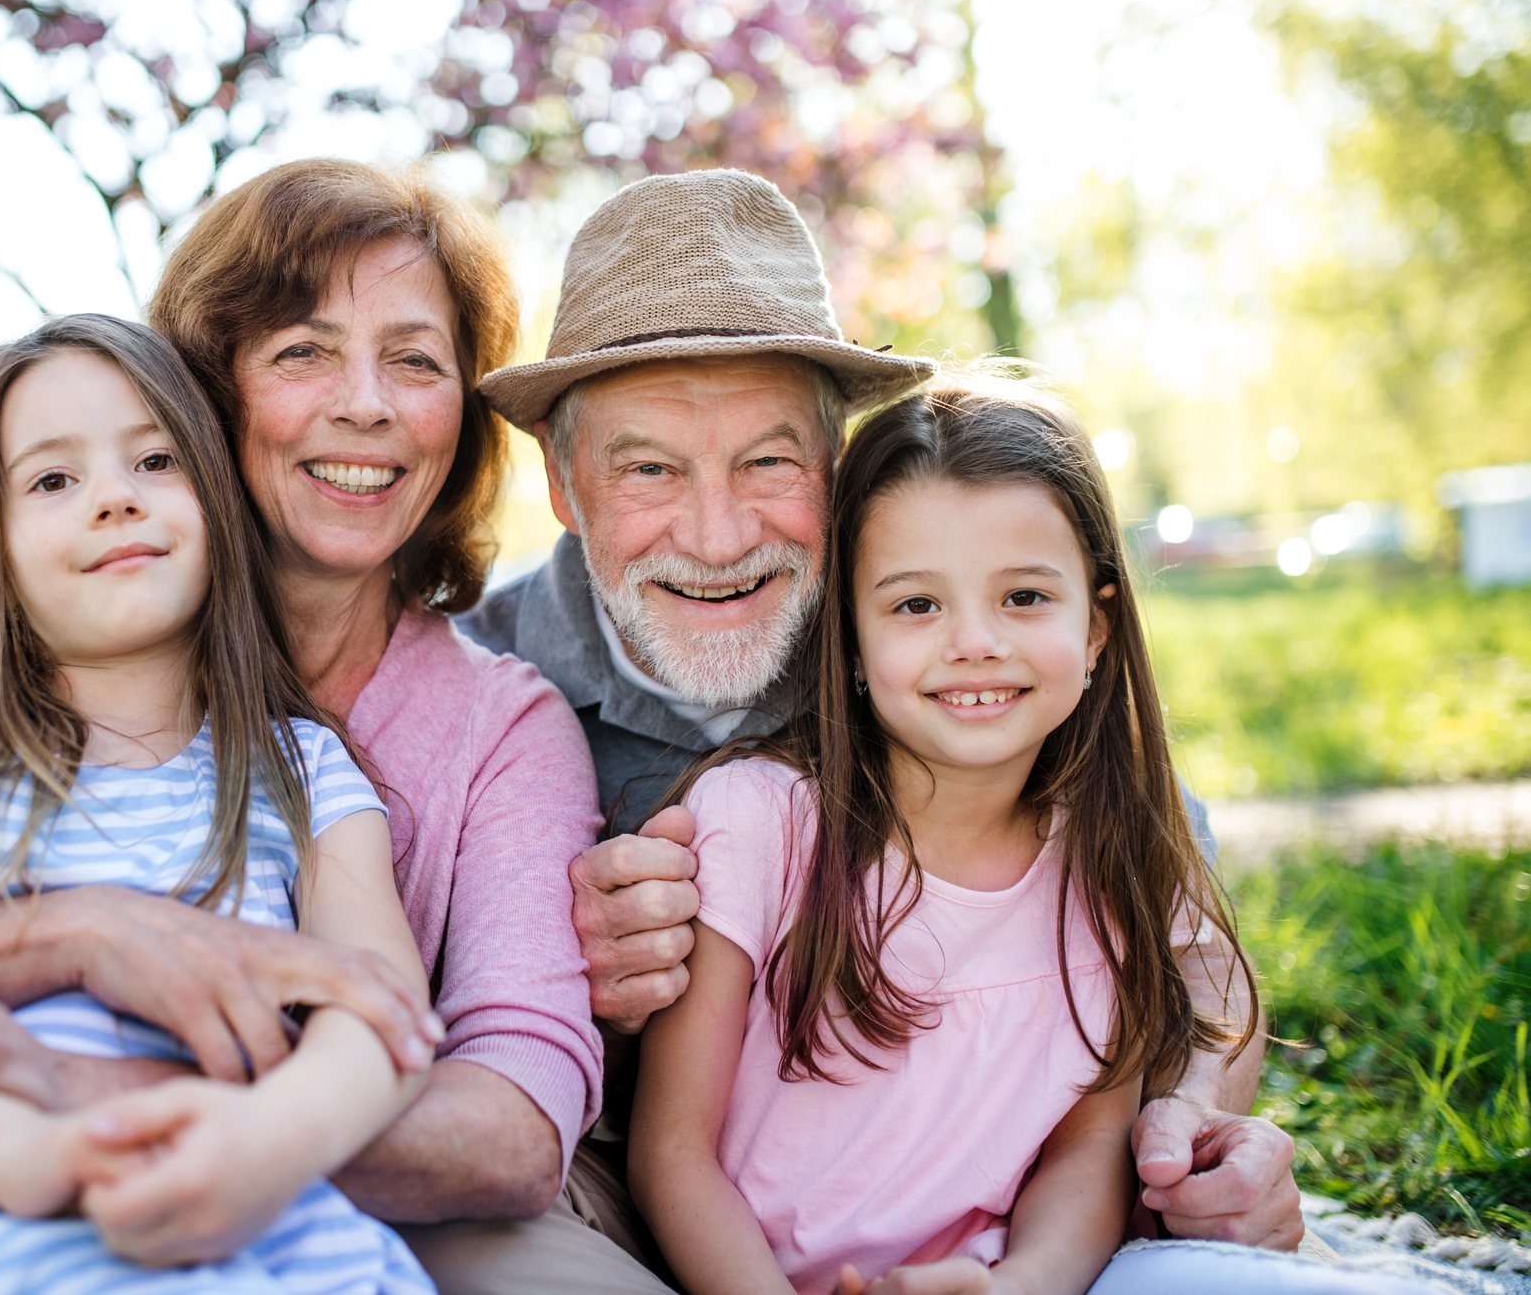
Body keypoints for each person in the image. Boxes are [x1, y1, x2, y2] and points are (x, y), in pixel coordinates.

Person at [0, 161, 626, 1293]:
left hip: (265, 1237)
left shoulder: (359, 758)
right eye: (303, 349)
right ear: (211, 397)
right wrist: (73, 936)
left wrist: (119, 1116)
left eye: (416, 358)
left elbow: (486, 1108)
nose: (369, 403)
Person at [460, 170, 1307, 1272]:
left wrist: (1190, 1125)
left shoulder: (921, 634)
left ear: (837, 464)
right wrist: (560, 975)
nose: (718, 538)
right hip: (621, 1183)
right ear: (565, 487)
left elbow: (1176, 932)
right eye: (651, 469)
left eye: (769, 461)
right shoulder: (479, 691)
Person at [627, 375, 1435, 1295]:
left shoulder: (1110, 851)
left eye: (1022, 598)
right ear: (848, 640)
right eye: (915, 606)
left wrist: (1021, 1290)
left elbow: (1085, 1150)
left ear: (1095, 627)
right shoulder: (759, 821)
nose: (974, 642)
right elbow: (671, 1152)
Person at [0, 314, 444, 1295]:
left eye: (154, 460)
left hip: (253, 1223)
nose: (113, 498)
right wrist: (26, 1156)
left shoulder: (304, 769)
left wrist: (272, 1141)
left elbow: (384, 1011)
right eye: (52, 480)